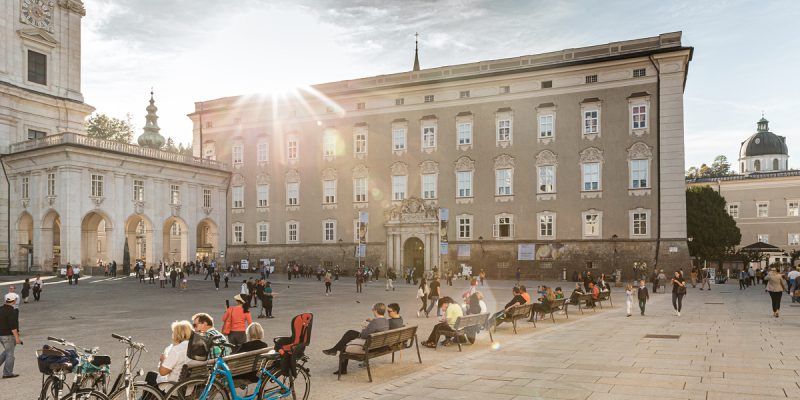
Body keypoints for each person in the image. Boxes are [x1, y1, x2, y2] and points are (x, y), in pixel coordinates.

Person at [323, 303, 389, 375]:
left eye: (373, 310)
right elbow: (377, 326)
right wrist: (370, 324)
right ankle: (334, 350)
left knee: (347, 339)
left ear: (376, 310)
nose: (372, 311)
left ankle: (339, 361)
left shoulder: (375, 322)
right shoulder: (385, 320)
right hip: (379, 344)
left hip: (370, 347)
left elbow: (364, 335)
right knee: (350, 334)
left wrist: (365, 327)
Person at [146, 320, 199, 386]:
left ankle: (145, 396)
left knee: (151, 375)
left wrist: (163, 360)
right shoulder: (197, 346)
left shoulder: (177, 350)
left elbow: (163, 372)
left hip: (174, 388)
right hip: (189, 387)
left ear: (177, 334)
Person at [0, 294, 21, 378]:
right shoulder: (12, 311)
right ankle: (7, 373)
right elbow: (13, 327)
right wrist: (17, 338)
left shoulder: (0, 309)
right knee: (10, 354)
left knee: (7, 352)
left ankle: (7, 372)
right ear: (14, 301)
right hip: (8, 336)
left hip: (1, 335)